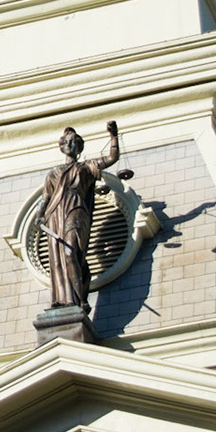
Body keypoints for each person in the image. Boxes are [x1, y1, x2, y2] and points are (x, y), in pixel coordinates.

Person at [41, 123, 131, 311]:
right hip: (55, 214)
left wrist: (114, 137)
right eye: (66, 142)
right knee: (57, 259)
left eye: (74, 142)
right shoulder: (53, 174)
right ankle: (65, 301)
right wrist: (39, 216)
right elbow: (46, 198)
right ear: (62, 146)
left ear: (79, 147)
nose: (70, 145)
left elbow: (112, 158)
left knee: (70, 252)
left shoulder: (86, 167)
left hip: (76, 209)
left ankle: (80, 299)